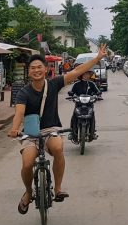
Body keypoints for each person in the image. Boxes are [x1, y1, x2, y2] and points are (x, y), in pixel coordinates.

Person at [8, 44, 108, 214]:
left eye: (40, 67)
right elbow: (19, 112)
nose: (36, 70)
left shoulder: (53, 84)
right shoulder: (23, 92)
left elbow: (76, 72)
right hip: (30, 133)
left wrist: (97, 58)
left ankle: (58, 189)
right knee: (27, 163)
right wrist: (15, 129)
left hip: (51, 129)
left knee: (58, 147)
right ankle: (28, 192)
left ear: (46, 69)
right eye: (33, 68)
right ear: (29, 71)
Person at [68, 69, 102, 141]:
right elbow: (71, 92)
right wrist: (72, 95)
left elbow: (97, 91)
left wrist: (97, 95)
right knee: (74, 117)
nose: (88, 75)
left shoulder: (92, 84)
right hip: (79, 104)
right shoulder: (76, 84)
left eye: (88, 74)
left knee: (92, 116)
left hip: (89, 104)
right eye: (86, 74)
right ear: (82, 75)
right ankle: (72, 132)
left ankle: (92, 133)